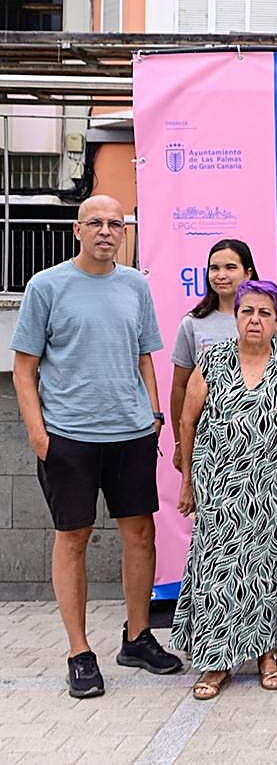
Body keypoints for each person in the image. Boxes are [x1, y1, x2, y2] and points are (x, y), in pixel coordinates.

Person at [10, 194, 182, 699]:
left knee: (141, 536)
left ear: (124, 233)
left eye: (116, 223)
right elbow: (24, 369)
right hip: (69, 438)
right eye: (96, 223)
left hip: (130, 434)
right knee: (74, 540)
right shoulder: (47, 286)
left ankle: (136, 638)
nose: (107, 231)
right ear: (77, 230)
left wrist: (152, 414)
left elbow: (146, 357)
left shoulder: (135, 286)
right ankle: (79, 651)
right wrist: (40, 436)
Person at [172, 280, 277, 700]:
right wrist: (187, 481)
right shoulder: (213, 359)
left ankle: (266, 654)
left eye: (264, 314)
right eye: (247, 312)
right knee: (218, 571)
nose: (255, 320)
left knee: (267, 570)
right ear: (235, 316)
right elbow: (188, 420)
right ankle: (216, 662)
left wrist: (268, 442)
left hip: (274, 487)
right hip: (219, 486)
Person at [168, 238, 277, 656]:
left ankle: (264, 640)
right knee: (217, 557)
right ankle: (216, 649)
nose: (220, 274)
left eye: (230, 267)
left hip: (269, 471)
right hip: (218, 467)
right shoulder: (195, 325)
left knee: (264, 557)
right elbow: (182, 397)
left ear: (248, 272)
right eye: (214, 267)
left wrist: (272, 433)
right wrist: (181, 447)